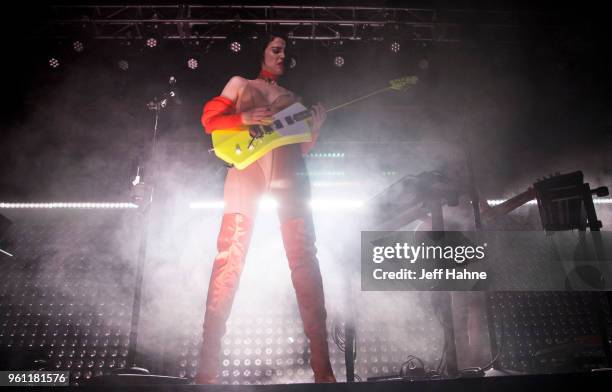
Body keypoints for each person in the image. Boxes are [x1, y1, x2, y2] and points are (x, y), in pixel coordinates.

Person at [195, 34, 336, 384]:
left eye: (286, 50)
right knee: (230, 257)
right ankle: (206, 370)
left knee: (305, 259)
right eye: (276, 48)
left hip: (291, 172)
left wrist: (313, 132)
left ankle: (323, 369)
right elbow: (210, 118)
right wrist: (242, 118)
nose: (282, 54)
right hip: (247, 168)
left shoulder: (295, 100)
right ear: (260, 50)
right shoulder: (240, 84)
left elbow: (295, 148)